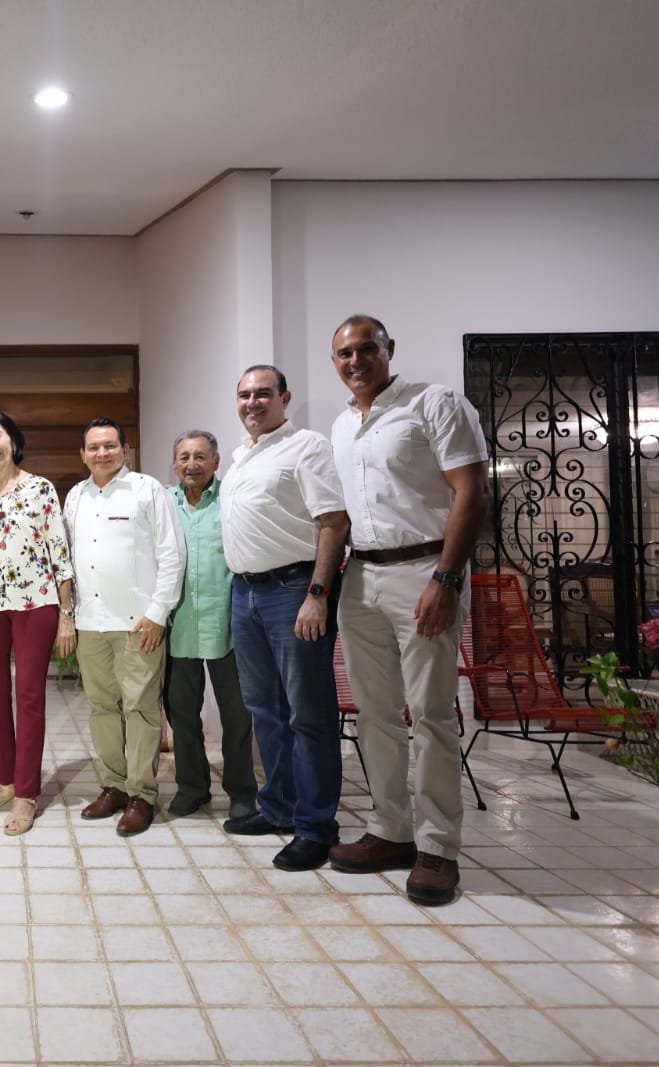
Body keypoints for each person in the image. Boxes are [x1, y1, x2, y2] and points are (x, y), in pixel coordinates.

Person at [325, 314, 489, 906]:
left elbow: (471, 490)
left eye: (366, 349)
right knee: (375, 715)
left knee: (431, 713)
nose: (355, 361)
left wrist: (446, 578)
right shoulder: (343, 424)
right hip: (361, 576)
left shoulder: (433, 403)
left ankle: (438, 846)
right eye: (344, 353)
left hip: (425, 570)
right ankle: (390, 830)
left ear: (388, 349)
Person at [218, 368, 350, 871]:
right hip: (245, 591)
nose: (252, 402)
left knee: (308, 714)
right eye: (244, 394)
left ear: (284, 398)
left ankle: (316, 827)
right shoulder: (242, 456)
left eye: (262, 394)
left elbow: (333, 522)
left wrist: (318, 594)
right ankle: (278, 807)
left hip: (293, 590)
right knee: (265, 710)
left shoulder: (306, 446)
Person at [65, 417, 185, 837]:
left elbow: (172, 553)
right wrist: (69, 615)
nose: (102, 453)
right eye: (94, 447)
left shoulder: (147, 490)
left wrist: (158, 612)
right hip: (90, 622)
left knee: (141, 708)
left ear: (125, 449)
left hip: (139, 623)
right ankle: (115, 785)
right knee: (102, 708)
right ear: (83, 455)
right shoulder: (75, 496)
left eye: (110, 445)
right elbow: (68, 559)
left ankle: (142, 794)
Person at [0, 411, 76, 836]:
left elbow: (59, 553)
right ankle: (7, 782)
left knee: (28, 695)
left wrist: (67, 614)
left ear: (12, 440)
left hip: (36, 603)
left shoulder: (40, 488)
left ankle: (26, 793)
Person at [163, 430, 257, 822]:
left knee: (237, 715)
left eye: (200, 457)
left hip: (228, 624)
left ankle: (242, 792)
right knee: (182, 714)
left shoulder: (231, 500)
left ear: (216, 462)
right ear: (174, 463)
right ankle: (192, 788)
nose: (192, 465)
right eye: (184, 457)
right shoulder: (163, 504)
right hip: (178, 624)